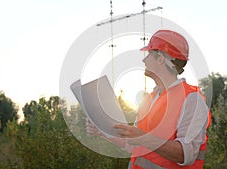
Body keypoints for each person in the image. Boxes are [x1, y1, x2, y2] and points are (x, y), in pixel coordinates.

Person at [87, 29, 211, 169]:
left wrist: (142, 137)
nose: (144, 60)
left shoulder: (191, 100)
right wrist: (103, 132)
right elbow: (132, 145)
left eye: (149, 54)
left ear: (160, 59)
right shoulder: (148, 100)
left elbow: (185, 155)